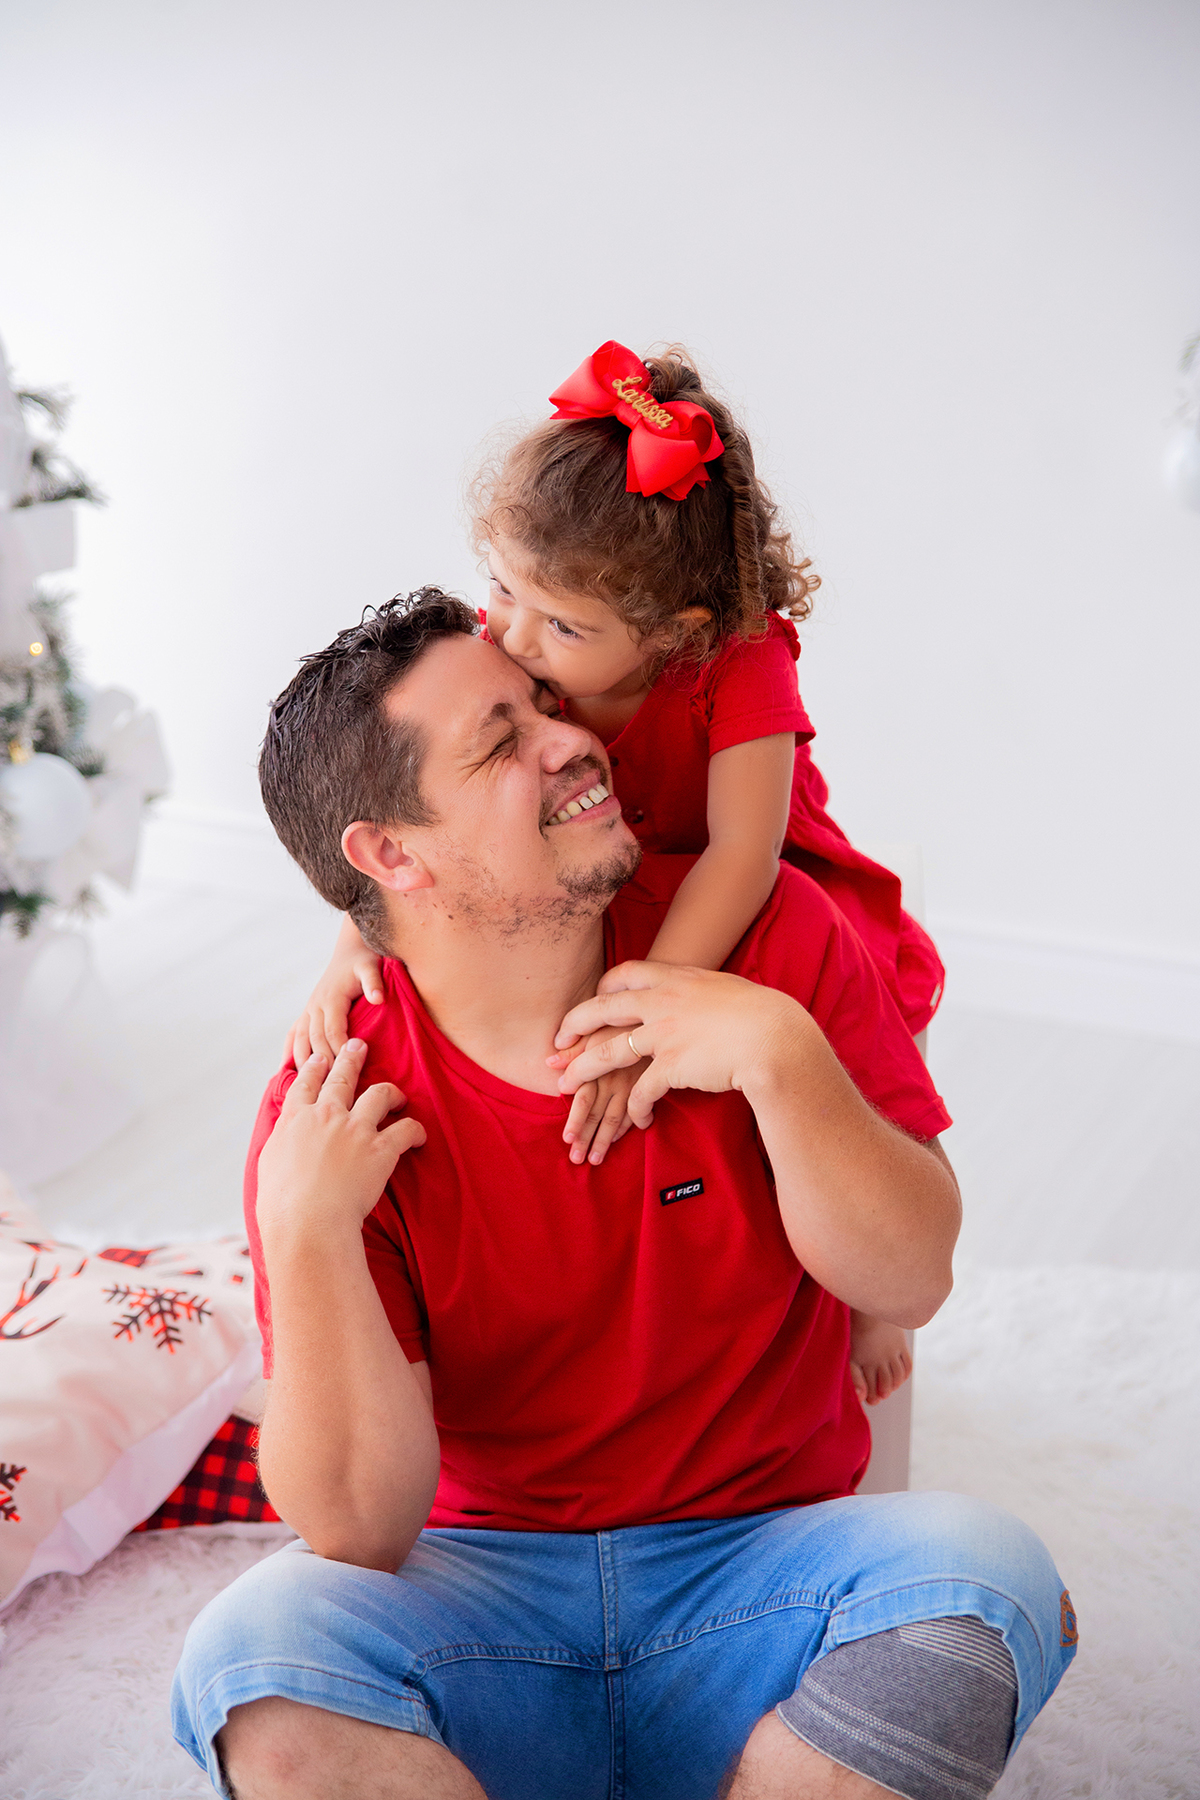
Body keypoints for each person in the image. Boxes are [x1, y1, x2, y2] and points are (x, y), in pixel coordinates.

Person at [171, 592, 1076, 1800]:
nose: (571, 740)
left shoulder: (771, 944)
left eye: (543, 704)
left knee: (985, 1573)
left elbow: (912, 1277)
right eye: (501, 742)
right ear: (393, 853)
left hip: (762, 1573)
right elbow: (357, 1532)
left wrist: (781, 1057)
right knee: (250, 1661)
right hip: (487, 1608)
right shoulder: (331, 1104)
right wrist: (307, 1228)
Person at [289, 340, 939, 1410]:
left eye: (562, 626)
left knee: (845, 1013)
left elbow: (743, 853)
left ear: (671, 633)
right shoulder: (526, 634)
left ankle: (862, 1289)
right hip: (590, 868)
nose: (512, 635)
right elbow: (421, 814)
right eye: (503, 590)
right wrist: (355, 938)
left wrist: (642, 1001)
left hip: (736, 870)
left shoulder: (738, 659)